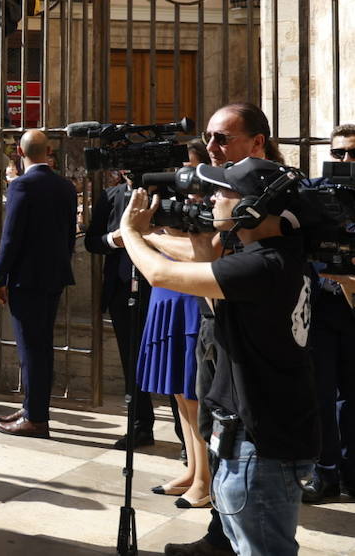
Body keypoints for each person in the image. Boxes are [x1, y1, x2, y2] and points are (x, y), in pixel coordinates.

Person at [122, 157, 318, 556]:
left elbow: (160, 274)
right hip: (254, 437)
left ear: (252, 207)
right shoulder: (278, 256)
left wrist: (130, 232)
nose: (213, 198)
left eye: (224, 191)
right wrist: (201, 234)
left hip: (260, 446)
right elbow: (212, 287)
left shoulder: (262, 266)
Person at [164, 101, 280, 556]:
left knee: (245, 439)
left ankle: (242, 535)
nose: (210, 147)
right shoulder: (216, 186)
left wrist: (134, 236)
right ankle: (220, 533)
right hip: (217, 322)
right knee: (215, 424)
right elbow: (210, 252)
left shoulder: (271, 191)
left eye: (222, 138)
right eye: (208, 137)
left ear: (257, 143)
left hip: (254, 332)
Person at [134, 142, 212, 507]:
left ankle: (206, 480)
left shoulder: (212, 202)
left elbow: (201, 251)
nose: (181, 171)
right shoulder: (167, 200)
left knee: (195, 396)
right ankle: (193, 470)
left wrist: (145, 235)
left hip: (191, 297)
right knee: (180, 395)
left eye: (189, 165)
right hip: (168, 296)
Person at [86, 169, 185, 452]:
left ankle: (185, 436)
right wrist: (113, 240)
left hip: (163, 292)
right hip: (121, 292)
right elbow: (92, 240)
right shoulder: (111, 196)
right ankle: (141, 426)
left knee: (171, 362)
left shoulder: (170, 195)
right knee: (132, 361)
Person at [0, 129, 77, 438]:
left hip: (26, 279)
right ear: (49, 151)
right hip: (54, 276)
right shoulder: (66, 186)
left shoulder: (22, 185)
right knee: (42, 348)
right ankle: (31, 406)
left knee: (30, 349)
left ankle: (37, 417)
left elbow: (11, 237)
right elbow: (69, 236)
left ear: (19, 152)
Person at [299, 123, 355, 503]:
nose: (345, 161)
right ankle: (326, 473)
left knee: (351, 398)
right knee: (319, 395)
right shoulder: (315, 193)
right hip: (320, 307)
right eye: (338, 154)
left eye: (353, 153)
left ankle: (352, 474)